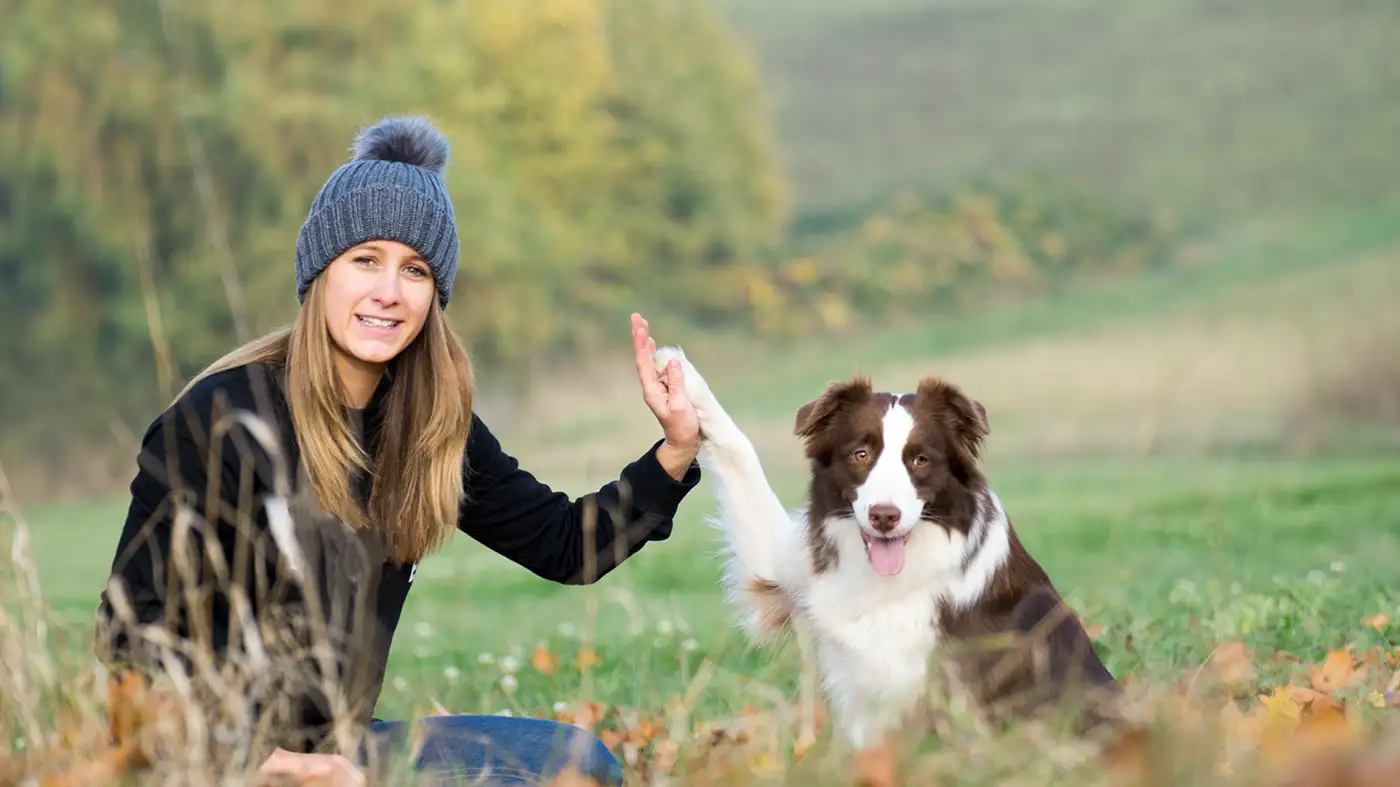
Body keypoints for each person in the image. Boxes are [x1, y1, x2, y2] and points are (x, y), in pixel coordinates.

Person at [94, 115, 702, 786]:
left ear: (434, 298)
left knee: (580, 763)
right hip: (217, 764)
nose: (388, 291)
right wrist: (262, 763)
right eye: (365, 260)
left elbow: (566, 543)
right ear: (319, 273)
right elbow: (129, 648)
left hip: (347, 756)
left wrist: (674, 448)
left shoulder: (430, 426)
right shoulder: (218, 424)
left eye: (414, 269)